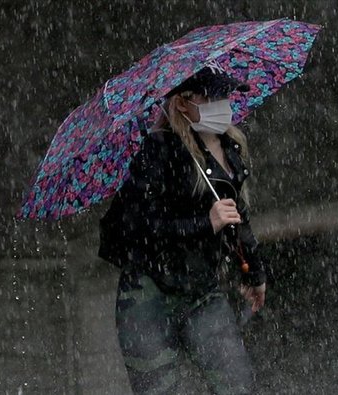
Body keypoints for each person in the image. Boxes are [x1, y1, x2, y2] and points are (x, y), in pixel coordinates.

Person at [98, 62, 267, 394]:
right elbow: (141, 226)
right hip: (148, 293)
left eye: (226, 95)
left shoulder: (230, 150)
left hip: (201, 289)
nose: (223, 105)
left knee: (238, 384)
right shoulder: (156, 151)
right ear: (181, 103)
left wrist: (255, 272)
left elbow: (238, 216)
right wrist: (206, 223)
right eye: (211, 97)